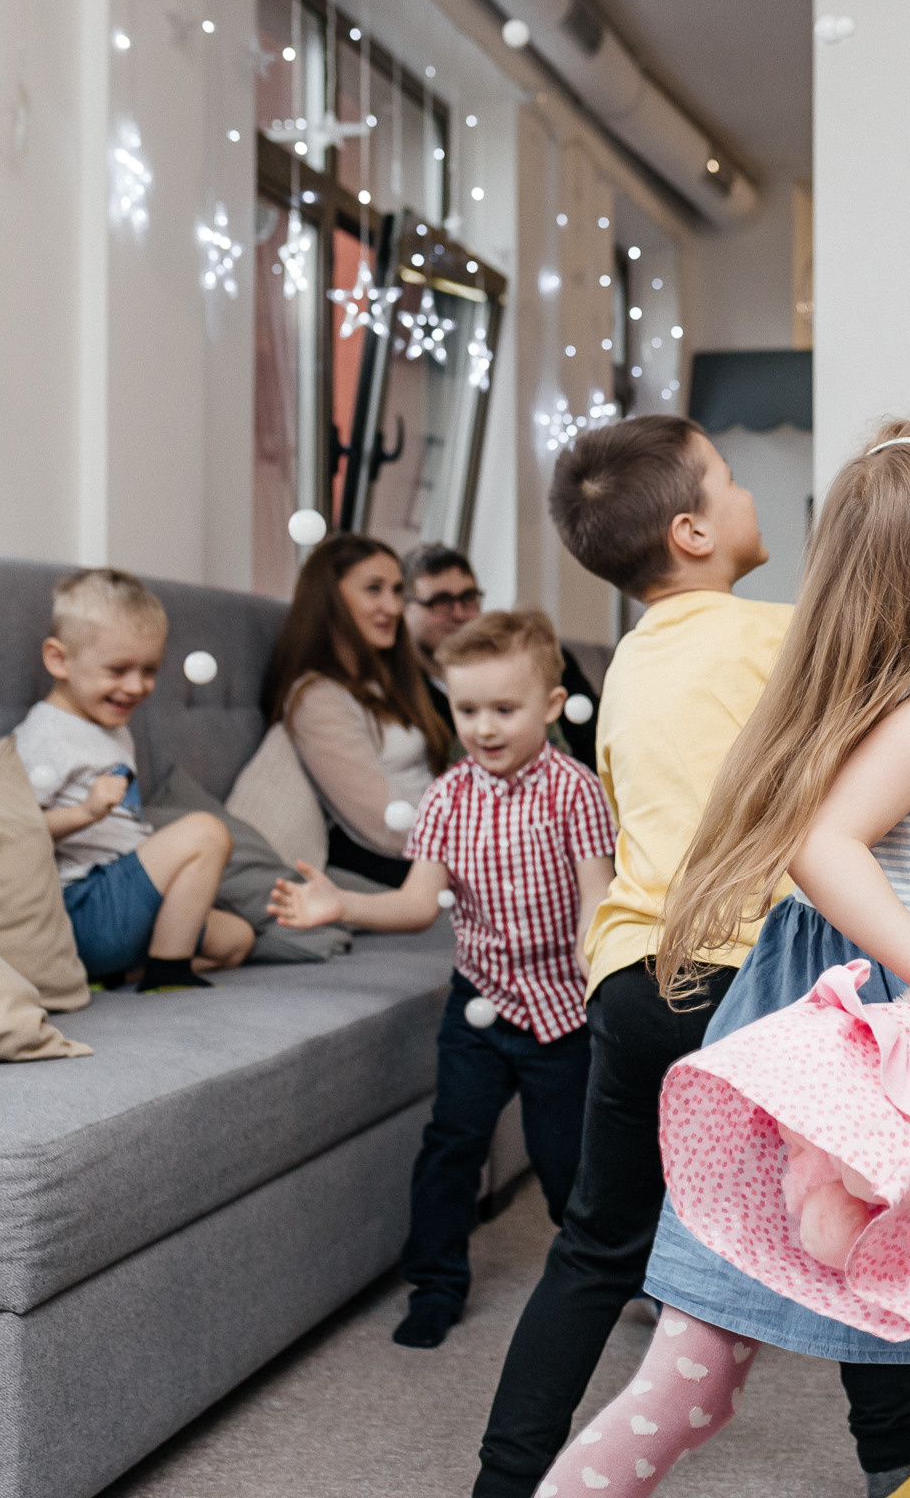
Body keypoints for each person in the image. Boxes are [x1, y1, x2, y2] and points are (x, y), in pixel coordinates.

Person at [536, 413, 910, 1498]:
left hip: (828, 1018)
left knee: (695, 1374)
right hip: (903, 1039)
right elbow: (822, 847)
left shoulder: (906, 680)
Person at [270, 611, 617, 1349]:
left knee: (568, 1165)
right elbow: (414, 904)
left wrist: (600, 962)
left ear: (551, 707)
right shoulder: (447, 797)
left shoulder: (576, 791)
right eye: (467, 711)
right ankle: (435, 1284)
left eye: (504, 709)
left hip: (561, 1011)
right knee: (451, 1144)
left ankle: (618, 1277)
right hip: (481, 1003)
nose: (484, 728)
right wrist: (343, 904)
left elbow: (597, 897)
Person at [15, 569, 253, 991]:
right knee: (206, 832)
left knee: (238, 940)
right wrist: (85, 813)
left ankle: (121, 973)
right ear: (59, 660)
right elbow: (14, 832)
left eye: (149, 670)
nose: (136, 687)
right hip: (84, 905)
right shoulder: (46, 735)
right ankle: (166, 972)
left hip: (125, 900)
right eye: (118, 669)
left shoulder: (111, 727)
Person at [264, 534, 452, 888]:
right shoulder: (317, 698)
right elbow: (381, 821)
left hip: (436, 841)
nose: (393, 607)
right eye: (374, 589)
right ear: (331, 599)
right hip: (397, 859)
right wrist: (480, 834)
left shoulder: (386, 682)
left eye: (397, 590)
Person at [403, 542, 600, 761]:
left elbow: (594, 741)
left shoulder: (540, 660)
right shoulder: (400, 691)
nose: (459, 613)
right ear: (404, 608)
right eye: (440, 602)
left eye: (468, 598)